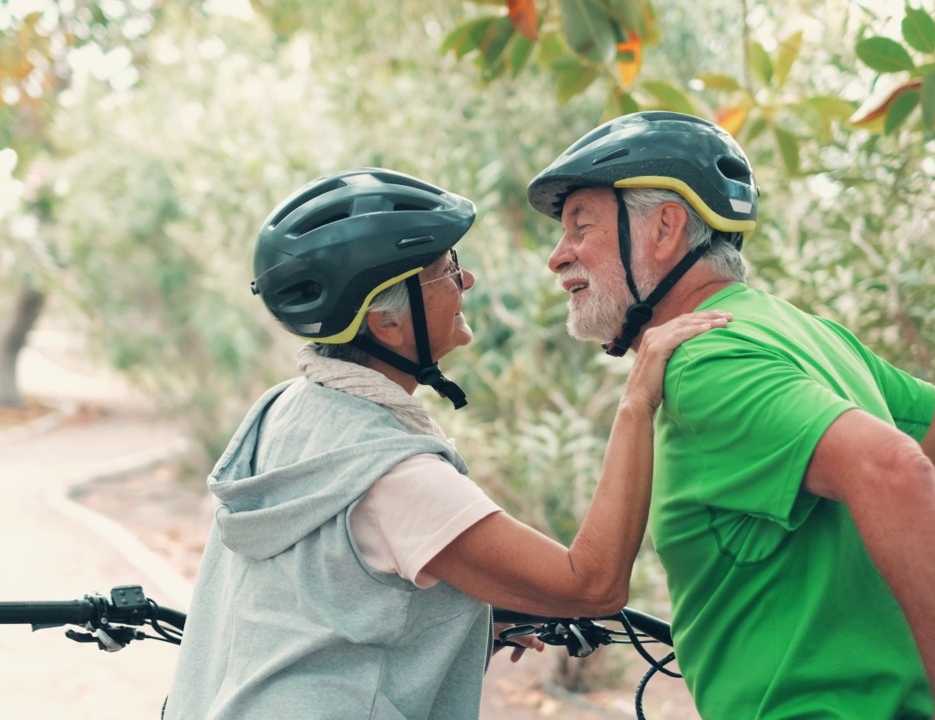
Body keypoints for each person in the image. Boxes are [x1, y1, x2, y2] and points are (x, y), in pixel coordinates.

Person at [163, 167, 731, 719]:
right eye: (446, 268)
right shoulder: (393, 476)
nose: (467, 281)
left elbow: (316, 597)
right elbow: (592, 585)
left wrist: (451, 619)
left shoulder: (285, 412)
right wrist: (635, 403)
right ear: (385, 322)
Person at [527, 112, 935, 719]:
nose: (558, 255)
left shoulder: (707, 360)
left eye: (580, 226)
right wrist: (925, 599)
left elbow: (894, 468)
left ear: (665, 228)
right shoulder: (806, 332)